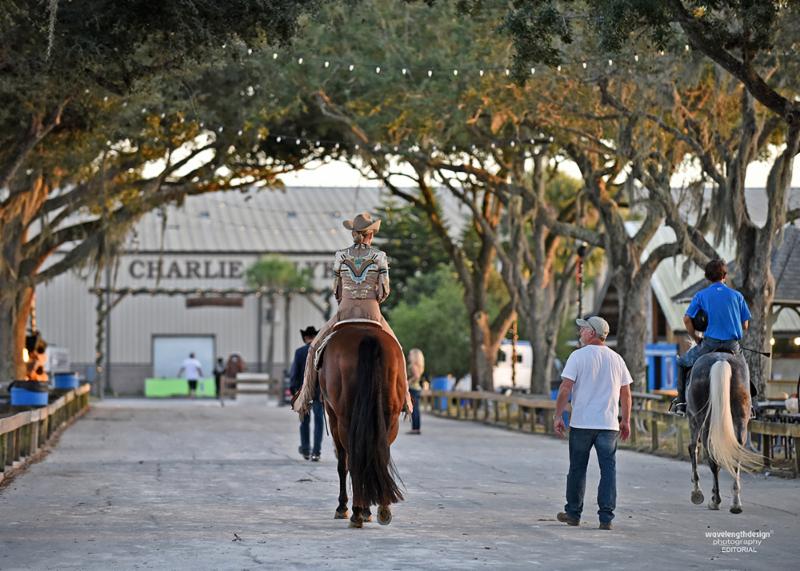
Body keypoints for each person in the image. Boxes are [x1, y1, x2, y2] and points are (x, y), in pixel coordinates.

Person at [292, 211, 412, 415]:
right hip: (372, 312)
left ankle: (306, 396)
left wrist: (347, 298)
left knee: (313, 348)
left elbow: (336, 289)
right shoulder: (379, 257)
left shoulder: (340, 256)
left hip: (344, 311)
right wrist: (372, 299)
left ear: (353, 234)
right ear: (370, 235)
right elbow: (384, 290)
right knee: (398, 350)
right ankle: (405, 400)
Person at [554, 316, 632, 531]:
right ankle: (606, 518)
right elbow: (626, 393)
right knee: (609, 470)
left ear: (591, 333)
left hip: (582, 423)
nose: (580, 333)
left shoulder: (578, 357)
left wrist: (558, 415)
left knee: (577, 468)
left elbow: (565, 388)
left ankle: (573, 513)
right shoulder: (617, 359)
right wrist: (625, 420)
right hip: (608, 424)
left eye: (583, 330)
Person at [670, 259, 753, 415]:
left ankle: (681, 404)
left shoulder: (701, 295)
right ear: (725, 276)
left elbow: (687, 319)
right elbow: (745, 325)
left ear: (707, 277)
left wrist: (695, 338)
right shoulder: (737, 295)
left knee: (681, 363)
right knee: (744, 369)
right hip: (732, 346)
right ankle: (749, 405)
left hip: (709, 344)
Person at [290, 326, 323, 461]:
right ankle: (316, 452)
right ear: (315, 337)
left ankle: (305, 449)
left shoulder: (299, 352)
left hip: (303, 392)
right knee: (319, 422)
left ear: (305, 338)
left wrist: (294, 391)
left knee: (304, 422)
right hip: (319, 393)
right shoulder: (321, 352)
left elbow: (294, 374)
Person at [407, 348, 428, 435]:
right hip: (417, 388)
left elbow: (416, 376)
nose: (409, 356)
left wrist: (407, 382)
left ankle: (415, 429)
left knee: (414, 410)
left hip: (413, 389)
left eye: (410, 354)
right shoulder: (419, 366)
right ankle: (416, 428)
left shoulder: (413, 366)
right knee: (416, 409)